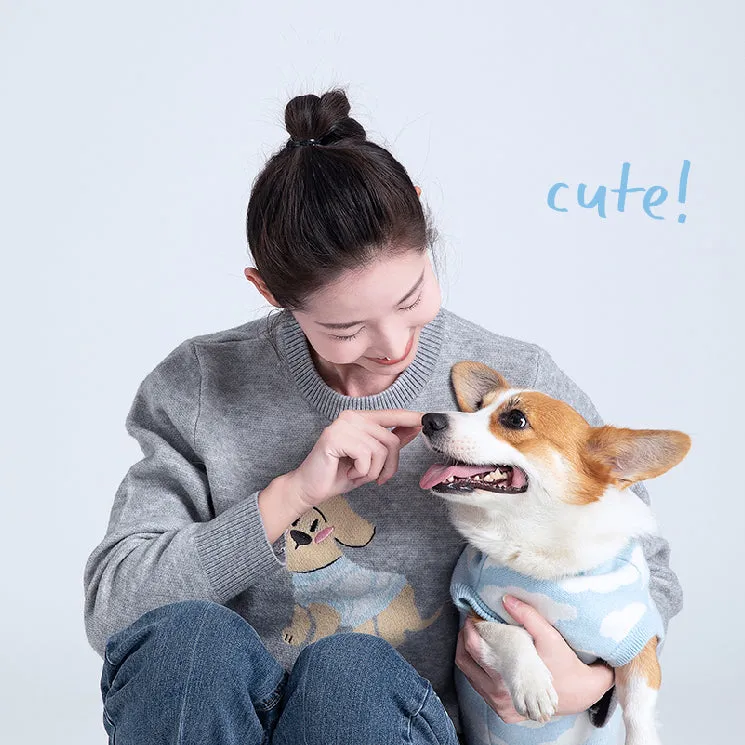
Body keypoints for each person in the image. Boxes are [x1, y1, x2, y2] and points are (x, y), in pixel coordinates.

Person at [83, 88, 683, 745]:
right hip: (214, 719)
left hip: (388, 717)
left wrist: (591, 681)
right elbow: (117, 609)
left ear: (423, 220)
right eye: (345, 328)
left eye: (413, 295)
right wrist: (291, 493)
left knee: (350, 672)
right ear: (268, 292)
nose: (395, 345)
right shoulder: (200, 386)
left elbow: (642, 568)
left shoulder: (510, 390)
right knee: (185, 639)